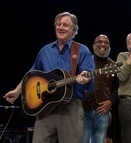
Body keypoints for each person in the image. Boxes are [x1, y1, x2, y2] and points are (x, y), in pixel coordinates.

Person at [3, 11, 94, 143]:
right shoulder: (45, 50)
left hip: (70, 107)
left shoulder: (82, 50)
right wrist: (17, 92)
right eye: (58, 24)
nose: (60, 27)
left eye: (65, 25)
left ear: (73, 30)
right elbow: (31, 74)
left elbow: (89, 74)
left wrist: (86, 78)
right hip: (45, 107)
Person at [82, 34, 119, 143]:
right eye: (99, 41)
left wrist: (110, 102)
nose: (103, 44)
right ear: (93, 45)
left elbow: (117, 88)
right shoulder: (84, 61)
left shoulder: (113, 65)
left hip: (103, 112)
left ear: (109, 47)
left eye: (106, 42)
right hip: (84, 109)